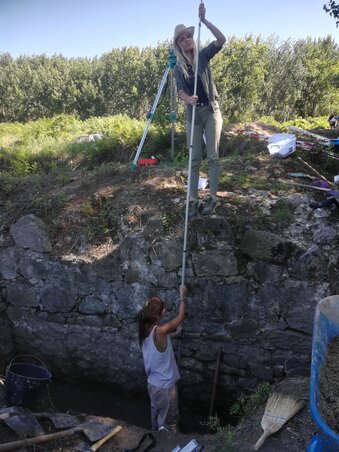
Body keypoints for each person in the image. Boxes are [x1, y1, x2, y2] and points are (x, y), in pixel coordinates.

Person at [173, 3, 226, 219]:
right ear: (178, 43)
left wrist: (205, 21)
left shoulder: (203, 54)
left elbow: (221, 40)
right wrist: (188, 98)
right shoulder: (178, 67)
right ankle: (193, 200)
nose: (187, 39)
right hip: (193, 115)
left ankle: (212, 198)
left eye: (188, 36)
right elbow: (180, 92)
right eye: (182, 38)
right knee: (194, 159)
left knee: (212, 156)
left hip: (211, 111)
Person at [138, 286, 187, 433]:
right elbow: (180, 317)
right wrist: (182, 296)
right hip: (165, 387)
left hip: (153, 384)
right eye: (163, 308)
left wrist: (173, 335)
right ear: (160, 314)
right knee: (170, 423)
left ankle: (156, 438)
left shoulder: (144, 329)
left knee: (156, 415)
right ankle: (169, 445)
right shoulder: (161, 330)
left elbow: (156, 345)